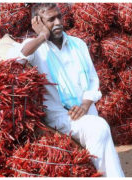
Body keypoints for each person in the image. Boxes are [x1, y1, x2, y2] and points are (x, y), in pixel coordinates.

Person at [17, 3, 125, 177]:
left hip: (86, 109)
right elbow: (18, 59)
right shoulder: (35, 47)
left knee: (98, 135)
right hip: (61, 116)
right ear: (37, 22)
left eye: (59, 16)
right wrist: (42, 36)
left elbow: (92, 80)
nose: (58, 22)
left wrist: (84, 105)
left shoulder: (78, 44)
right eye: (51, 19)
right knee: (98, 128)